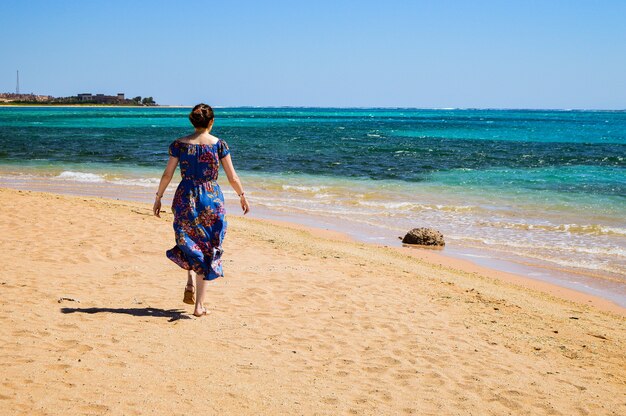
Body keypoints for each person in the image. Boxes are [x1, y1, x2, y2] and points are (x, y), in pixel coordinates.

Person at [153, 103, 249, 317]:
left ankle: (189, 283)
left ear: (192, 122)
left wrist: (158, 197)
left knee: (188, 239)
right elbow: (233, 176)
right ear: (211, 122)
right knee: (207, 246)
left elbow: (167, 175)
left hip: (185, 195)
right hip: (211, 199)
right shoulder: (219, 145)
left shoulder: (179, 144)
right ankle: (199, 306)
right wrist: (242, 195)